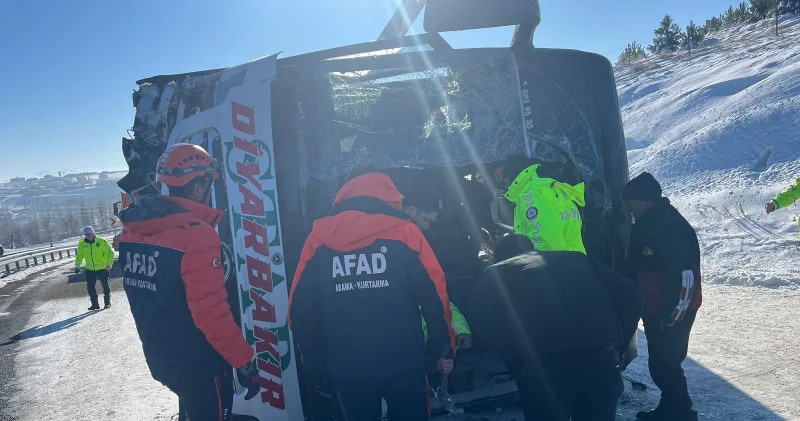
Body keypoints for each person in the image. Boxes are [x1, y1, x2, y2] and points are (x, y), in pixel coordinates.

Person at [288, 168, 456, 421]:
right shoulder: (406, 233)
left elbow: (299, 310)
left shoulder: (318, 239)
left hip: (347, 367)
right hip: (405, 363)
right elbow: (436, 298)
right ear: (389, 194)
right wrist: (441, 348)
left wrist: (317, 360)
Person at [118, 144, 260, 421]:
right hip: (200, 366)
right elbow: (211, 315)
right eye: (207, 184)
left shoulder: (133, 232)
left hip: (163, 357)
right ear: (198, 187)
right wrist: (245, 364)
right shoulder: (195, 236)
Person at [468, 234, 643, 421]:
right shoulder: (579, 259)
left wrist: (516, 357)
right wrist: (618, 343)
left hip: (547, 368)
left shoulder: (496, 272)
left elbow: (480, 319)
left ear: (499, 256)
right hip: (603, 360)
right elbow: (632, 293)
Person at [623, 172, 702, 421]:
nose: (628, 207)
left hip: (671, 311)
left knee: (665, 364)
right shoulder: (646, 223)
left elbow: (685, 276)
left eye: (630, 201)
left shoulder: (670, 228)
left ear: (644, 200)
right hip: (655, 307)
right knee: (662, 363)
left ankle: (680, 412)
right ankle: (674, 407)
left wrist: (672, 314)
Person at [74, 226, 115, 310]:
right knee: (90, 287)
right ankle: (95, 304)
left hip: (103, 268)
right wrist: (77, 265)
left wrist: (109, 264)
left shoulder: (102, 241)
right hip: (90, 270)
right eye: (86, 234)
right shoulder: (82, 243)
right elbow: (80, 255)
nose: (88, 236)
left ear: (93, 233)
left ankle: (107, 303)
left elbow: (110, 253)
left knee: (105, 286)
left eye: (89, 233)